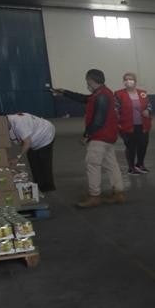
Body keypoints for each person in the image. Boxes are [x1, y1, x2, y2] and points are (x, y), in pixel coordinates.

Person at [55, 69, 126, 208]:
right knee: (111, 165)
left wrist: (86, 135)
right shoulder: (102, 93)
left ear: (91, 80)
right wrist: (64, 92)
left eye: (87, 81)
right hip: (109, 136)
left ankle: (94, 196)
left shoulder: (101, 96)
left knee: (92, 164)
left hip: (100, 136)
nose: (87, 84)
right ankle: (118, 192)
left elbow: (98, 120)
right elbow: (84, 99)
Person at [6, 112, 57, 193]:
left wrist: (17, 158)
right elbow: (5, 144)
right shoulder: (3, 125)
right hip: (32, 137)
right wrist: (7, 159)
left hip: (45, 134)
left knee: (44, 161)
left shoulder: (19, 123)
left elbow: (27, 143)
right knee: (33, 161)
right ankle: (37, 186)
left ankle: (48, 187)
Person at [115, 72, 152, 175]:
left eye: (131, 79)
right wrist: (117, 124)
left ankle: (140, 164)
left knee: (143, 145)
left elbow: (149, 105)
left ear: (135, 81)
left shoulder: (143, 93)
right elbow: (115, 110)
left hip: (143, 125)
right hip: (127, 126)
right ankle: (131, 167)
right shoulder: (119, 94)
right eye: (126, 79)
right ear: (123, 82)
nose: (128, 81)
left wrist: (148, 111)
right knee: (131, 146)